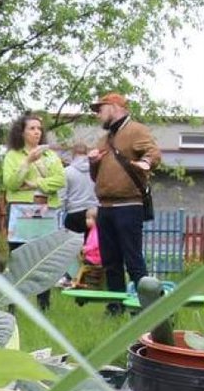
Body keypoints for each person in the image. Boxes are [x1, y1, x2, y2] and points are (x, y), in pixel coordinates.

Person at [87, 92, 161, 305]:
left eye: (100, 109)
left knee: (133, 260)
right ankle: (115, 307)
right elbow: (96, 177)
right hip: (105, 207)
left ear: (114, 106)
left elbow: (153, 152)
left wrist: (146, 163)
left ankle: (146, 307)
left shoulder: (136, 130)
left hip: (128, 206)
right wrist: (93, 163)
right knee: (110, 262)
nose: (98, 114)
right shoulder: (104, 140)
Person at [2, 112, 64, 310]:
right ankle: (12, 305)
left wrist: (35, 183)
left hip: (45, 211)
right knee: (18, 259)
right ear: (21, 132)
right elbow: (11, 183)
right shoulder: (13, 156)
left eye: (39, 128)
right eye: (32, 128)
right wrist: (27, 162)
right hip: (20, 212)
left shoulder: (50, 156)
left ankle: (43, 305)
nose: (37, 132)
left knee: (43, 259)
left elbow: (60, 181)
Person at [58, 140, 100, 286]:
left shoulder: (67, 171)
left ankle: (70, 276)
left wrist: (62, 209)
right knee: (91, 248)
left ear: (73, 154)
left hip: (74, 212)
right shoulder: (95, 170)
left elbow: (62, 195)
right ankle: (90, 278)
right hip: (93, 212)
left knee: (71, 248)